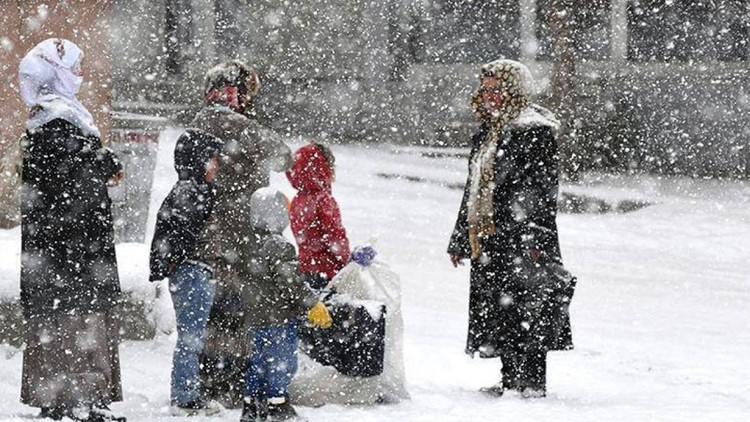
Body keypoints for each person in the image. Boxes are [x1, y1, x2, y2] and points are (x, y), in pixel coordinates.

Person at [448, 59, 575, 398]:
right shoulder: (489, 132)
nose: (488, 95)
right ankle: (509, 379)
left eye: (496, 89)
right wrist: (461, 237)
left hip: (523, 236)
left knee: (529, 305)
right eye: (485, 89)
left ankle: (532, 383)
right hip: (490, 236)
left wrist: (535, 235)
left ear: (514, 91)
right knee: (499, 306)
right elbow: (473, 189)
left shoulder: (534, 131)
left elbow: (541, 189)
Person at [18, 38, 126, 421]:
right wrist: (98, 163)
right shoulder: (58, 122)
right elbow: (70, 188)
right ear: (56, 72)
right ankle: (78, 400)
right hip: (73, 256)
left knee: (62, 321)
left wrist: (98, 161)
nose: (80, 74)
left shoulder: (54, 119)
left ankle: (64, 398)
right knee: (78, 324)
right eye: (75, 67)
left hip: (58, 256)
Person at [189, 61, 293, 407]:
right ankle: (230, 383)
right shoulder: (235, 124)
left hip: (207, 231)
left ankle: (209, 380)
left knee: (212, 311)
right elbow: (283, 156)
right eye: (247, 92)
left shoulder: (200, 120)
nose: (250, 100)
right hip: (236, 234)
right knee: (236, 309)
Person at [238, 188, 332, 422]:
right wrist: (312, 303)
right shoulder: (279, 245)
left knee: (256, 363)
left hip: (253, 317)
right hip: (277, 317)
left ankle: (252, 406)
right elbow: (291, 283)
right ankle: (278, 407)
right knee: (281, 364)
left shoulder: (247, 242)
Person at [148, 129, 224, 415]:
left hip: (196, 270)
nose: (215, 166)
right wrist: (176, 261)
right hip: (192, 271)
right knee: (191, 338)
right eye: (212, 159)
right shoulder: (191, 191)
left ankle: (188, 391)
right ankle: (184, 396)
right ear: (197, 160)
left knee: (194, 337)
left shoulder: (193, 189)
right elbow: (178, 233)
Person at [285, 143, 350, 292]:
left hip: (306, 268)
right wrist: (348, 259)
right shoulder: (323, 200)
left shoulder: (298, 200)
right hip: (327, 271)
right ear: (322, 168)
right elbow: (335, 236)